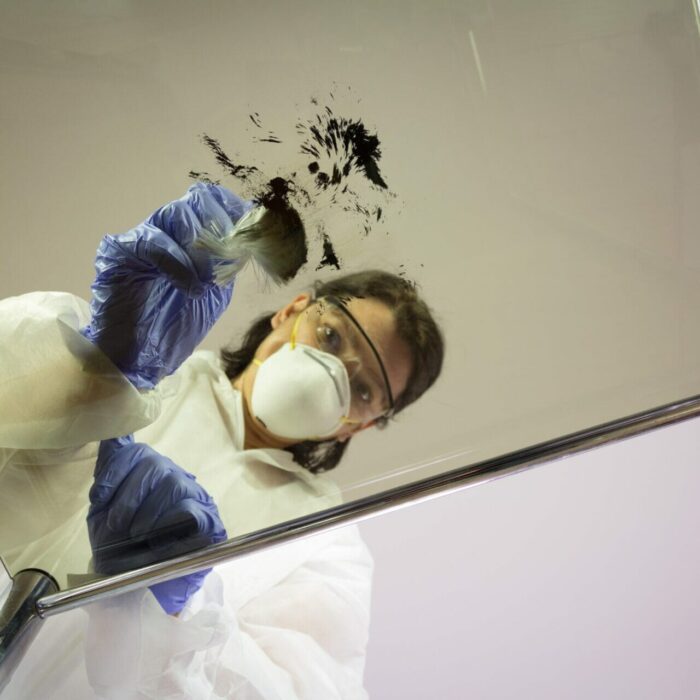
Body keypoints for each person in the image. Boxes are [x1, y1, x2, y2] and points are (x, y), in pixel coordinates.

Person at [0, 184, 444, 699]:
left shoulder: (326, 544)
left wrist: (179, 603)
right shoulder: (153, 366)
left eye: (363, 389)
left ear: (361, 424)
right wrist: (93, 367)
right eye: (331, 337)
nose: (331, 375)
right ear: (294, 309)